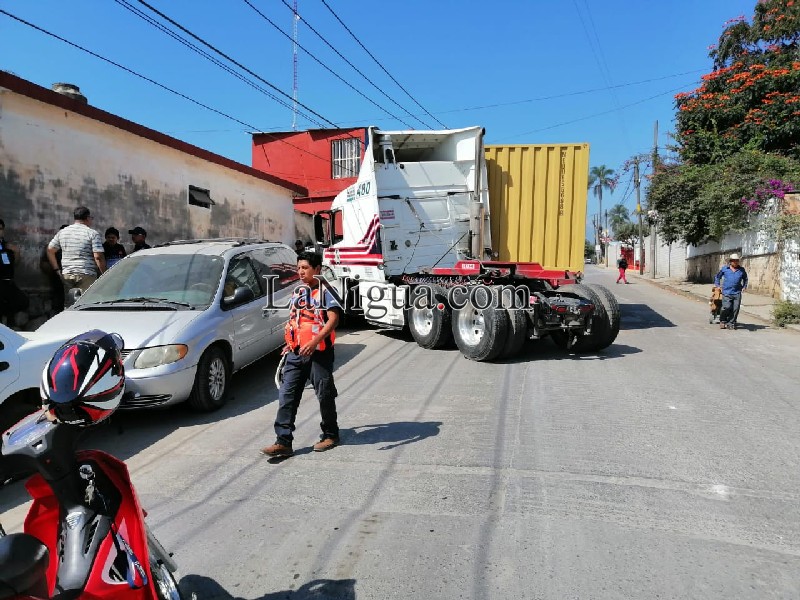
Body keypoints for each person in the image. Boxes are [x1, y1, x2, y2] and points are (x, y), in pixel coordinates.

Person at [262, 251, 342, 457]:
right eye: (298, 268)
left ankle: (331, 434)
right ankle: (283, 441)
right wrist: (290, 344)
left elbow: (333, 320)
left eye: (305, 268)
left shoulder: (327, 292)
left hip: (319, 353)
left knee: (324, 394)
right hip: (296, 354)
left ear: (317, 269)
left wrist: (314, 342)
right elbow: (295, 321)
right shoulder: (299, 292)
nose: (300, 272)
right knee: (287, 395)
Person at [47, 207, 106, 305]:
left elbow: (50, 250)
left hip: (67, 274)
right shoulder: (92, 233)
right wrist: (104, 273)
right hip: (86, 274)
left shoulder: (63, 232)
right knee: (85, 304)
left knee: (69, 304)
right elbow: (98, 256)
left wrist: (57, 270)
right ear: (87, 218)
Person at [0, 218, 30, 325]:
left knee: (20, 303)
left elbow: (13, 264)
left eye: (1, 229)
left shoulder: (6, 246)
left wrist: (16, 252)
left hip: (8, 282)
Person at [714, 253, 748, 330]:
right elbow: (717, 277)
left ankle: (731, 323)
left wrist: (744, 286)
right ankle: (722, 321)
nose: (735, 262)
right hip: (726, 292)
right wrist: (718, 286)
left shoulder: (741, 270)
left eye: (737, 261)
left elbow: (745, 279)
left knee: (735, 309)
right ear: (730, 261)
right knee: (726, 307)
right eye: (734, 261)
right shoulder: (725, 269)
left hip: (737, 292)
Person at [39, 224, 68, 314]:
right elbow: (43, 263)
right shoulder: (52, 246)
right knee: (58, 301)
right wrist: (55, 271)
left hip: (71, 277)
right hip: (58, 278)